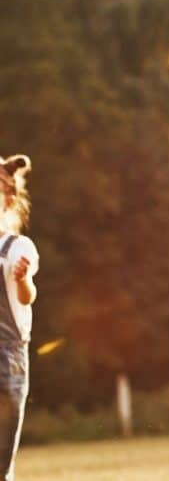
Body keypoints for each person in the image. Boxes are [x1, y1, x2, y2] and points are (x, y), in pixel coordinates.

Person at [0, 155, 38, 481]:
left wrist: (23, 279)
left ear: (8, 198)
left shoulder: (17, 247)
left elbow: (27, 297)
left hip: (8, 365)